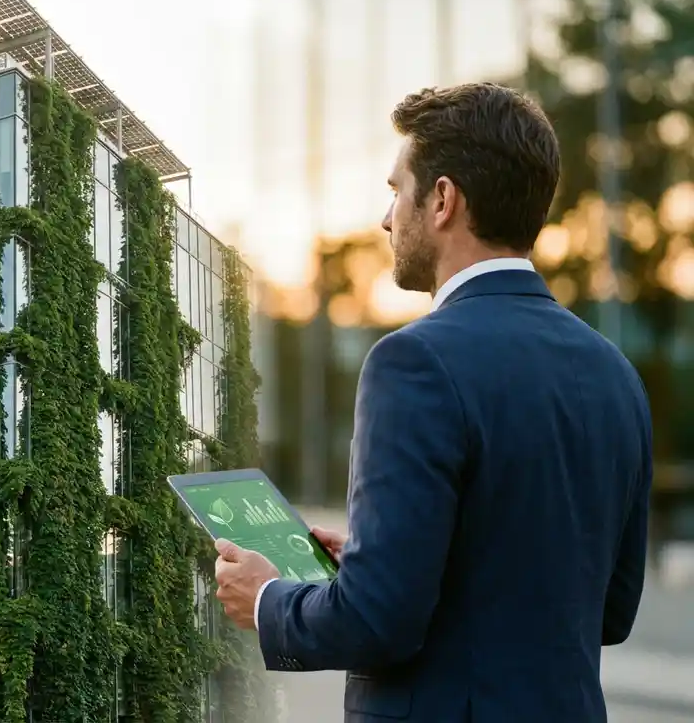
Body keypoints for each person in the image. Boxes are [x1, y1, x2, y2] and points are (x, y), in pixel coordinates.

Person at [213, 82, 653, 722]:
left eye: (397, 190)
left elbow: (376, 622)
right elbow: (608, 612)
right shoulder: (617, 375)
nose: (387, 218)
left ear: (443, 200)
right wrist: (385, 563)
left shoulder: (412, 363)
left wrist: (266, 598)